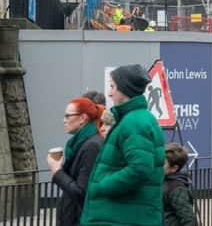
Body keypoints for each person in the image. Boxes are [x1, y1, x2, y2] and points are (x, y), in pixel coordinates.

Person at [80, 64, 165, 226]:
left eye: (113, 86)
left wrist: (102, 186)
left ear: (125, 88)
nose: (109, 93)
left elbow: (140, 169)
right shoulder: (135, 119)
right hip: (124, 216)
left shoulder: (134, 122)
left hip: (122, 217)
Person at [47, 97, 104, 226]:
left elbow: (81, 193)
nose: (64, 120)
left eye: (68, 116)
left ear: (82, 118)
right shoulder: (79, 143)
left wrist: (57, 171)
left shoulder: (92, 146)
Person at [164, 143, 196, 226]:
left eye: (163, 164)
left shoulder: (177, 188)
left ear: (174, 168)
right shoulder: (162, 181)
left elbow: (188, 218)